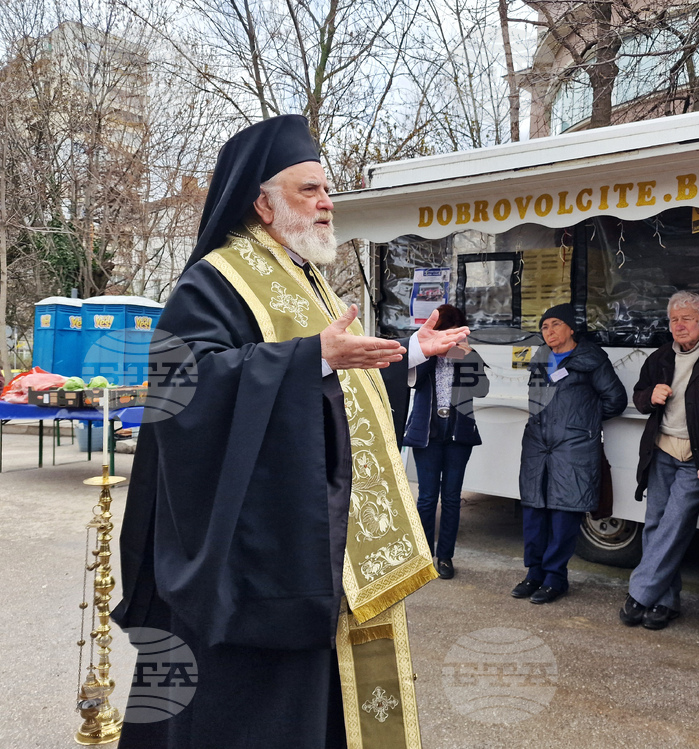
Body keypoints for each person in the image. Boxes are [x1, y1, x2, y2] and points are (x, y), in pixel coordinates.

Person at [112, 115, 467, 748]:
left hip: (329, 548)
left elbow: (343, 395)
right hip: (261, 559)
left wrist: (409, 353)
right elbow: (182, 390)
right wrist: (309, 359)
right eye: (309, 189)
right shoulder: (216, 279)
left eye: (326, 189)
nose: (328, 203)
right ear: (263, 204)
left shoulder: (308, 278)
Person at [619, 291, 699, 629]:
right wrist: (649, 396)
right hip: (662, 450)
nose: (679, 325)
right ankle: (665, 601)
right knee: (655, 524)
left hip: (697, 455)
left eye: (687, 318)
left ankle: (640, 593)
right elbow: (640, 397)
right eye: (674, 319)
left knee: (674, 525)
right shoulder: (660, 357)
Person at [512, 303, 627, 604]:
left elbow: (615, 399)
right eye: (544, 327)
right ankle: (533, 573)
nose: (549, 332)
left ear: (571, 327)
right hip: (538, 444)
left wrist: (582, 422)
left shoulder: (591, 359)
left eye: (555, 325)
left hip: (574, 447)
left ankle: (555, 578)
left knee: (564, 515)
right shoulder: (540, 358)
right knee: (534, 511)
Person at [403, 304, 490, 580]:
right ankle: (424, 556)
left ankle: (445, 558)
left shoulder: (468, 355)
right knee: (427, 499)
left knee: (452, 499)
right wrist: (428, 351)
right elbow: (409, 383)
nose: (448, 338)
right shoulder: (424, 357)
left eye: (454, 333)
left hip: (458, 433)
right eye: (444, 332)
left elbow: (483, 389)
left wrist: (466, 355)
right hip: (427, 433)